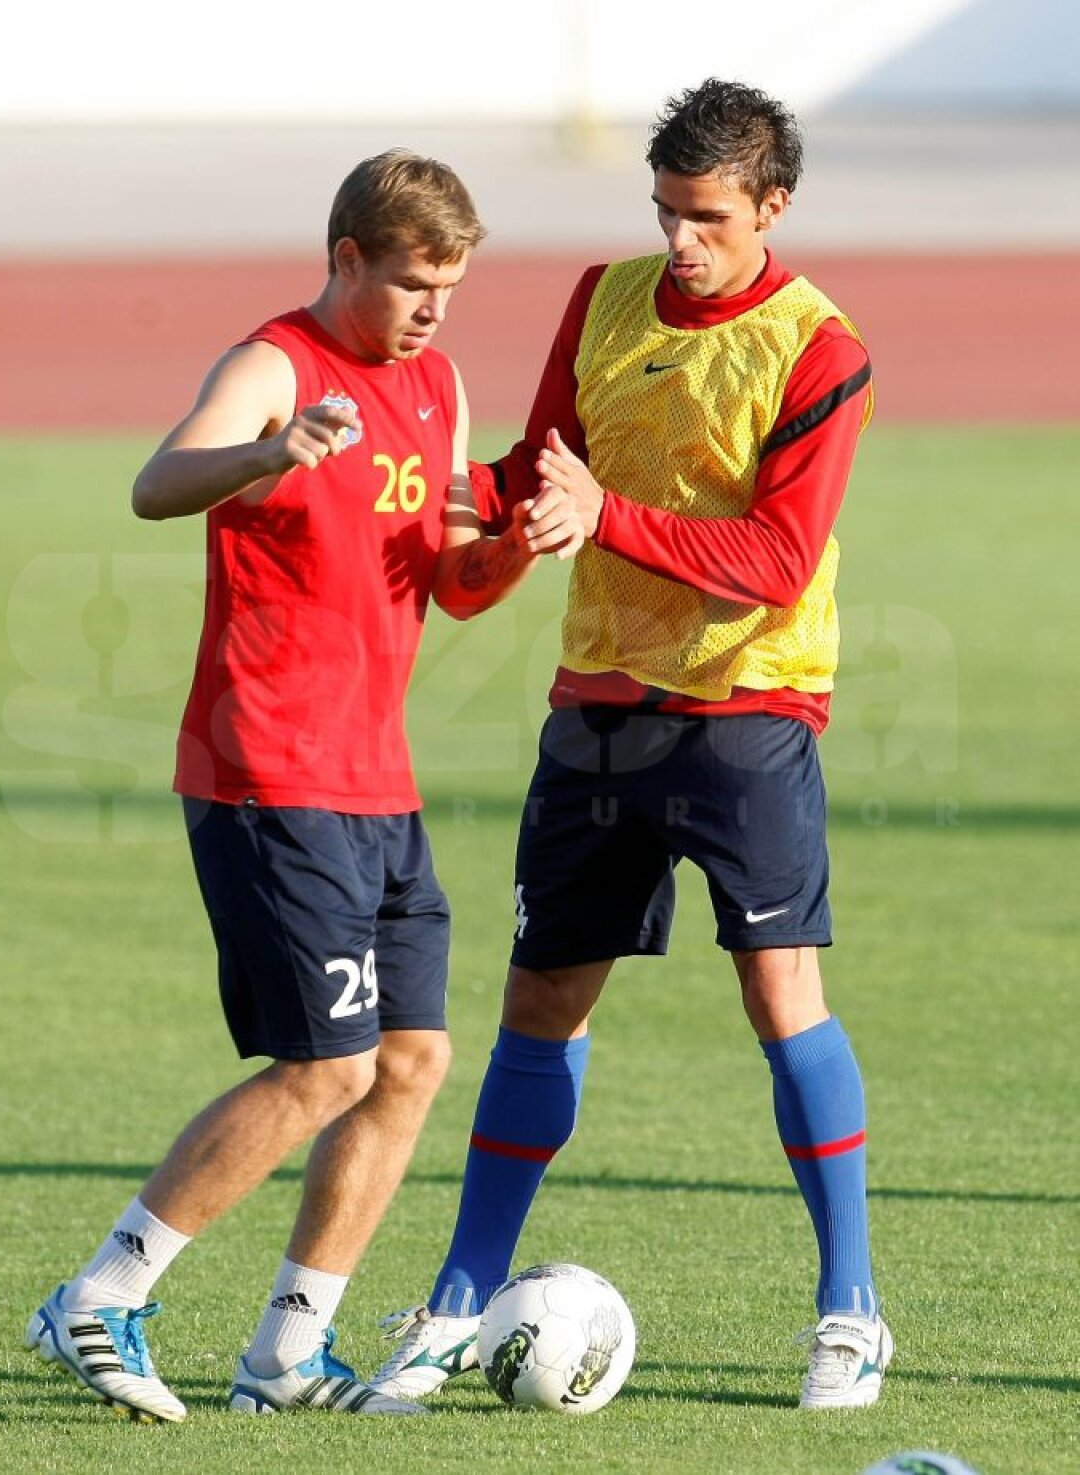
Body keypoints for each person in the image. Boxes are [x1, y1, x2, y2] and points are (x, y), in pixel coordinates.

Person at [24, 149, 583, 1423]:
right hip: (268, 770)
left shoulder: (436, 383)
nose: (434, 306)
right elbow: (155, 484)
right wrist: (269, 451)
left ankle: (287, 1350)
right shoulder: (276, 361)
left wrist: (515, 545)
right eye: (411, 281)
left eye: (451, 282)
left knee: (411, 1060)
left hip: (376, 782)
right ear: (346, 261)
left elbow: (446, 578)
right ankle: (99, 1296)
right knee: (326, 1064)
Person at [370, 80, 893, 1411]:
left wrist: (599, 514)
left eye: (707, 217)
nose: (679, 241)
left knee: (781, 995)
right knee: (540, 1001)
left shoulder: (820, 349)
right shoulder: (606, 298)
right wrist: (402, 478)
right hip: (598, 706)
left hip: (747, 706)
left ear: (772, 205)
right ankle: (455, 1299)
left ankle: (850, 1308)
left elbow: (776, 560)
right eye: (664, 211)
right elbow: (542, 464)